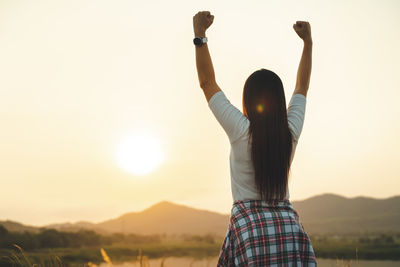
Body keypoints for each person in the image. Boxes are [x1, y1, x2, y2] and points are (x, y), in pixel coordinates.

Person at [193, 11, 317, 266]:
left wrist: (200, 36)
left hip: (250, 232)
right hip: (289, 230)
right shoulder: (289, 132)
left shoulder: (241, 130)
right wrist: (308, 44)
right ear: (280, 101)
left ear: (248, 101)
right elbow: (302, 87)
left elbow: (207, 83)